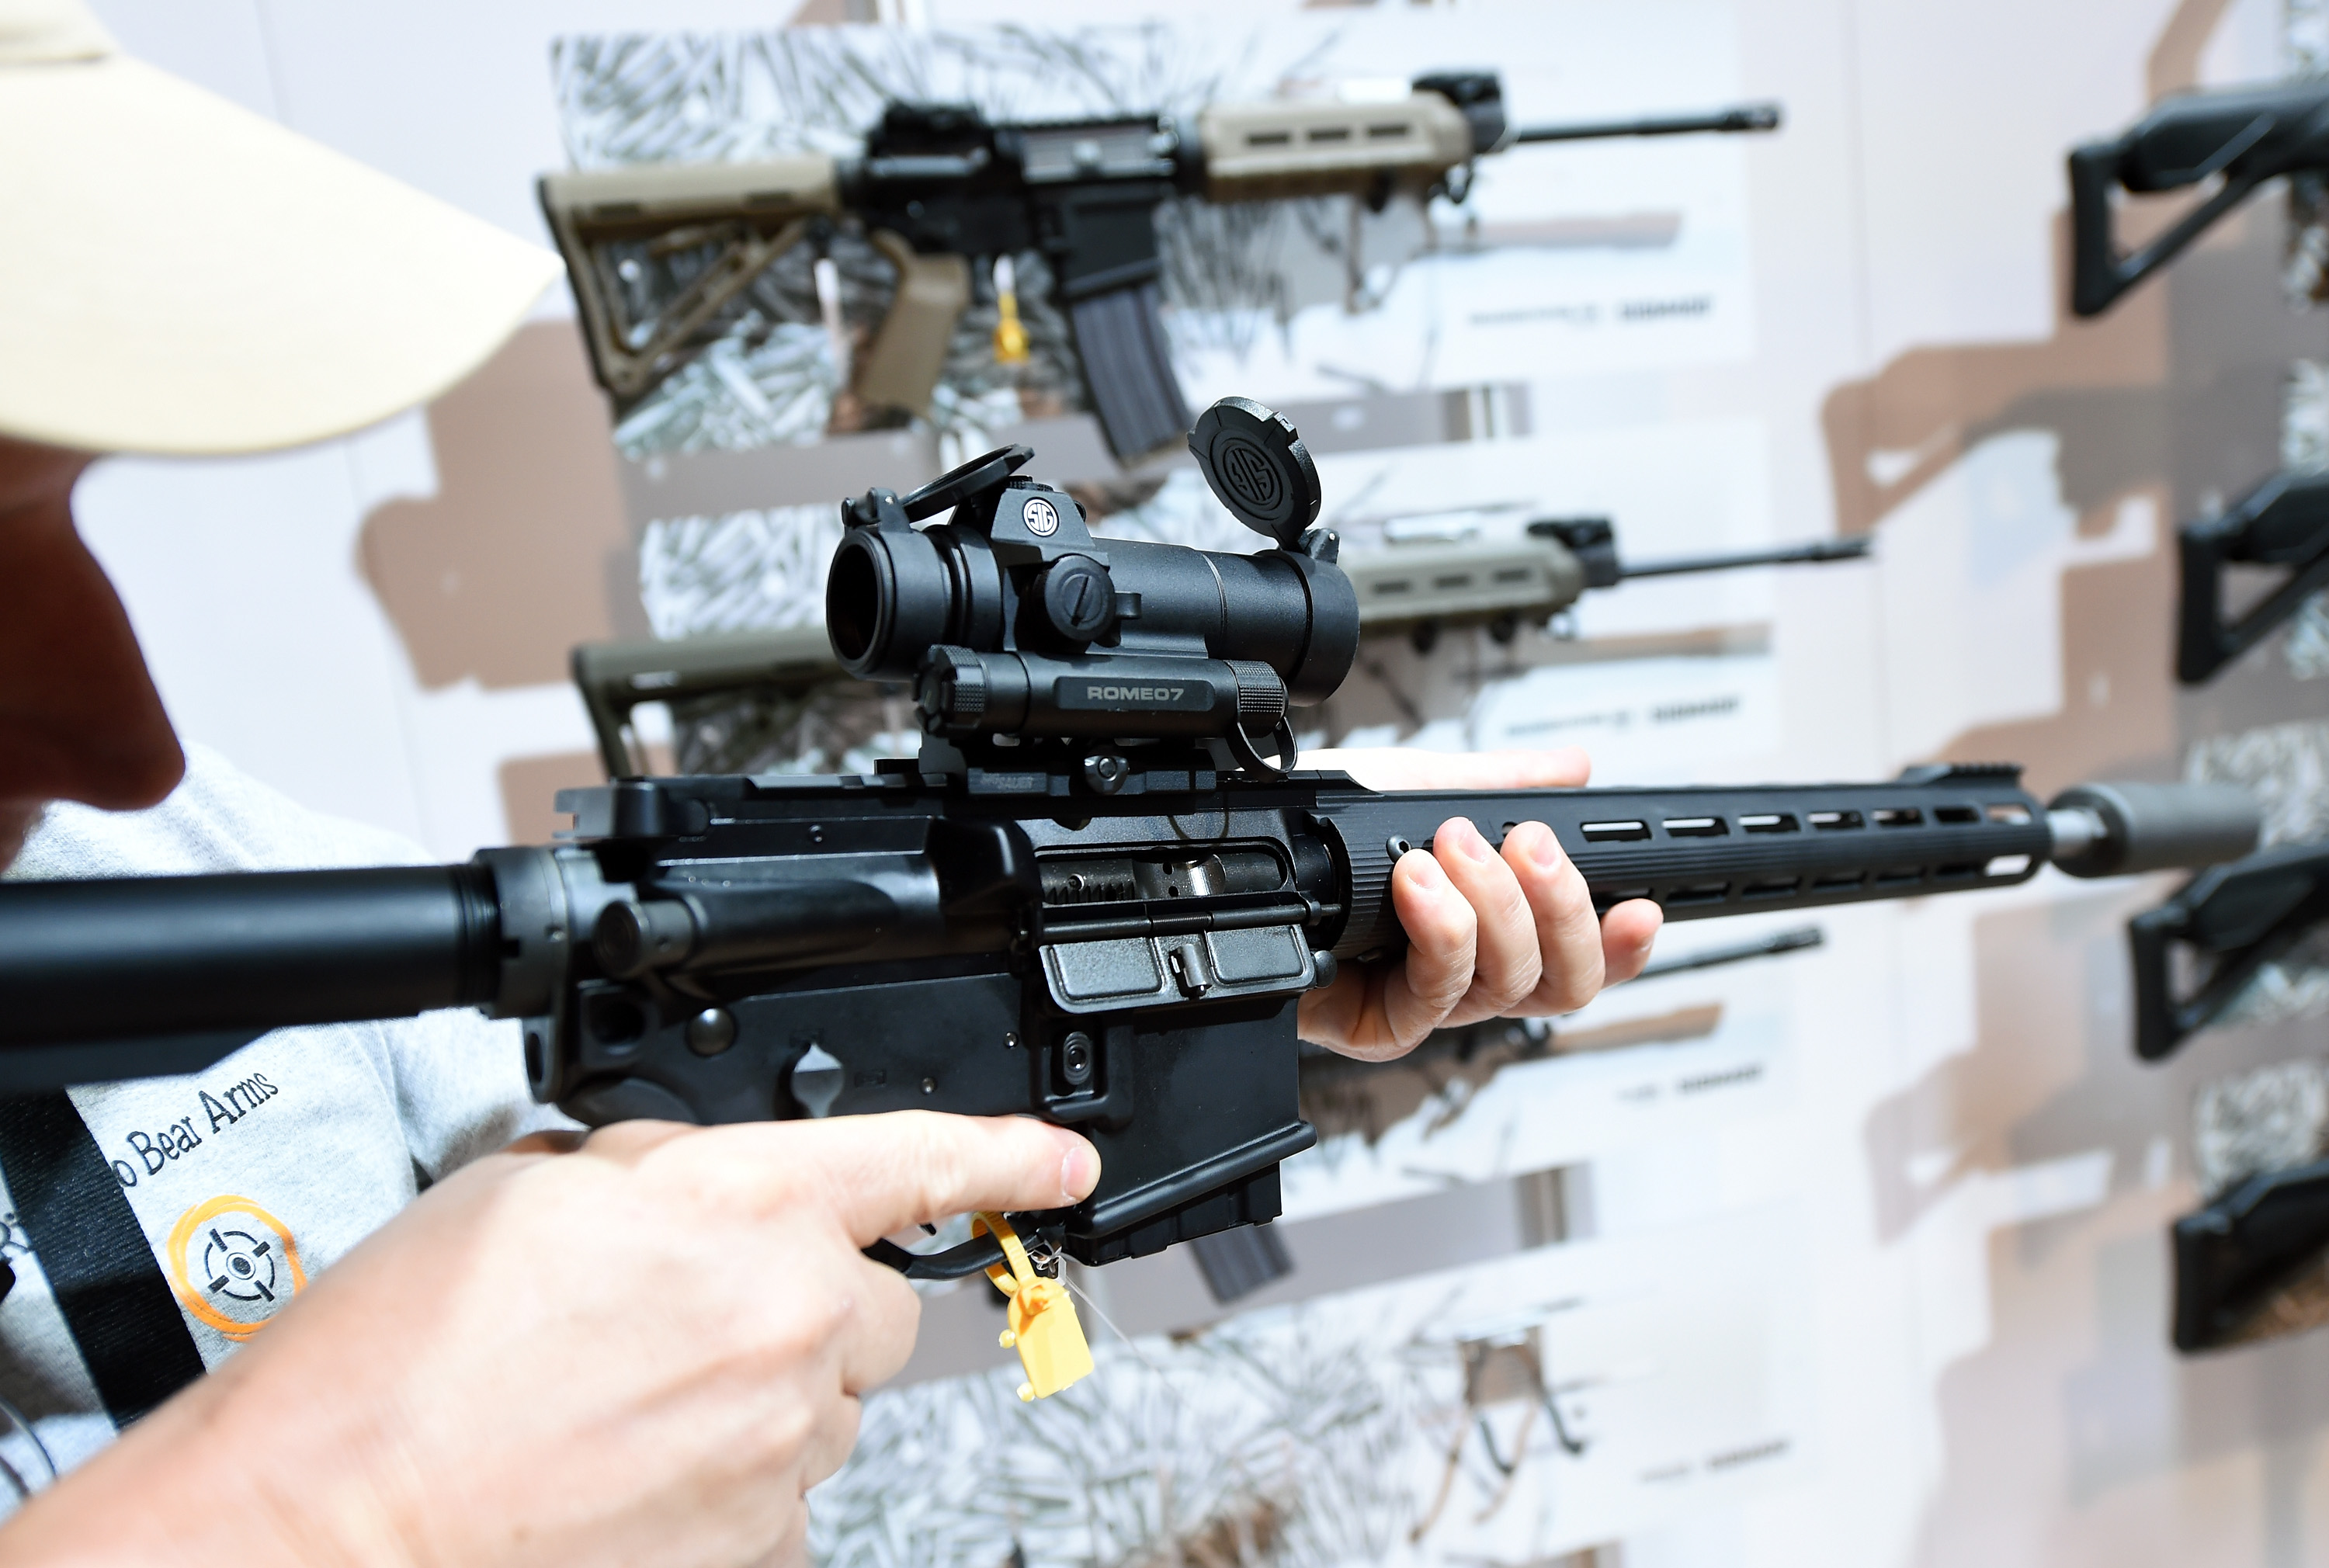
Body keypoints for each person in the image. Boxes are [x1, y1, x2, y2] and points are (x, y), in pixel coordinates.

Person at [0, 3, 1662, 1561]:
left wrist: (1168, 958)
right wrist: (363, 1506)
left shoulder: (170, 850)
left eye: (69, 506)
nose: (127, 743)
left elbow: (556, 1115)